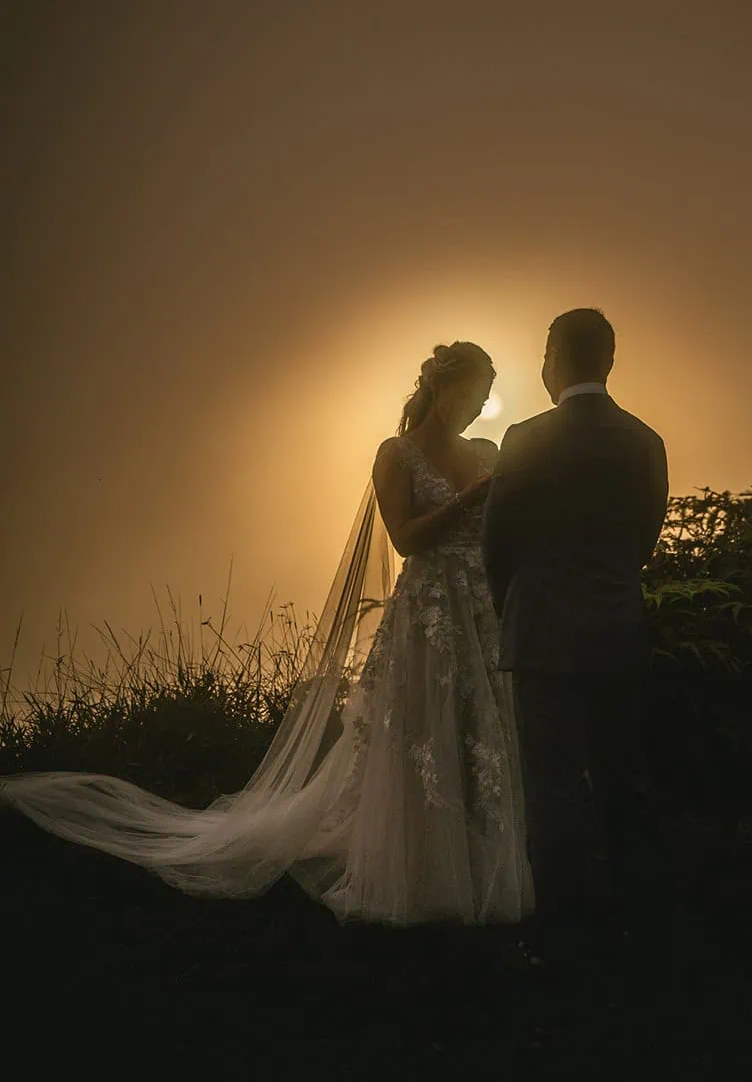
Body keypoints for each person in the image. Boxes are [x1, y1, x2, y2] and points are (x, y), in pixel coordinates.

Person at [0, 341, 534, 928]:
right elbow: (405, 538)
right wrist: (472, 498)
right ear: (444, 388)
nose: (482, 404)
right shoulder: (397, 453)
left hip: (479, 606)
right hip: (429, 609)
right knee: (419, 733)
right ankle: (419, 869)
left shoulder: (484, 451)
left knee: (478, 729)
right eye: (475, 391)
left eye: (487, 394)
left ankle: (482, 861)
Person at [482, 308, 671, 969]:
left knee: (553, 788)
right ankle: (641, 925)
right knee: (625, 783)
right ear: (607, 360)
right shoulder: (643, 440)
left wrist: (517, 606)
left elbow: (496, 541)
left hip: (541, 636)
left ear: (555, 356)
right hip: (617, 630)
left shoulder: (527, 437)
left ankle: (561, 939)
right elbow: (645, 537)